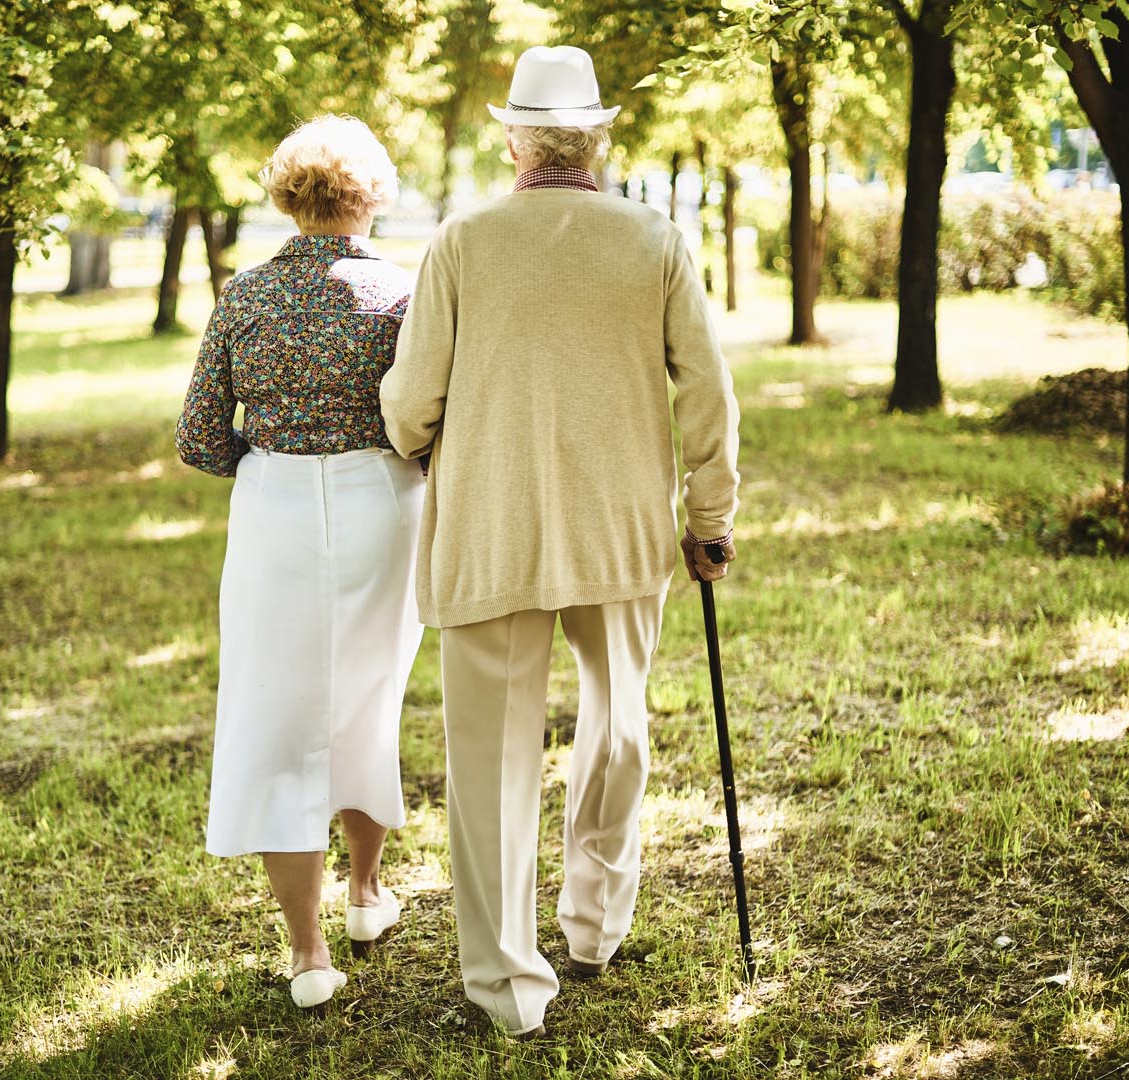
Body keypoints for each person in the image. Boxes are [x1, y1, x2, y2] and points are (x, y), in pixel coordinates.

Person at [379, 45, 741, 1037]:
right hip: (617, 529)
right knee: (618, 726)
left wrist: (409, 438)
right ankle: (593, 925)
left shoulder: (462, 240)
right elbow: (706, 390)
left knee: (491, 759)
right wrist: (709, 518)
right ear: (598, 136)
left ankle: (506, 987)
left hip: (494, 526)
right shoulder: (655, 240)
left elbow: (413, 400)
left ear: (512, 139)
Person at [176, 115, 423, 1010]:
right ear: (371, 195)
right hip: (381, 510)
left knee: (279, 716)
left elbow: (201, 440)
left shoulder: (243, 295)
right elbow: (429, 423)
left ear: (286, 194)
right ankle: (364, 897)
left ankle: (308, 953)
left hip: (275, 515)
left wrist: (276, 465)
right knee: (367, 699)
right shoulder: (402, 294)